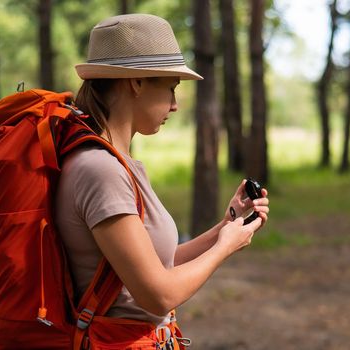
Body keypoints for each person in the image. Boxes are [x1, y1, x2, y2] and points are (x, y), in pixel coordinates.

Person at [54, 14, 269, 349]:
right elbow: (158, 295)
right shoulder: (101, 170)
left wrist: (228, 224)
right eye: (170, 87)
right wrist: (225, 247)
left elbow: (160, 265)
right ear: (136, 83)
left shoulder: (116, 164)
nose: (175, 104)